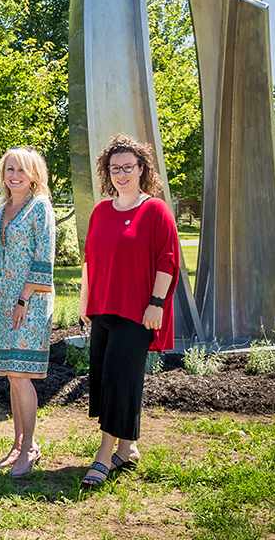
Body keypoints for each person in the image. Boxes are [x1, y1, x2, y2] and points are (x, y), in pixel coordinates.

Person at [79, 134, 179, 488]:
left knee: (119, 380)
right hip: (103, 307)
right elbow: (90, 259)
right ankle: (128, 449)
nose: (121, 174)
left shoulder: (155, 210)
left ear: (142, 169)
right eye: (115, 168)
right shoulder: (101, 211)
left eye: (128, 167)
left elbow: (168, 260)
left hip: (138, 313)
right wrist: (84, 299)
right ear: (108, 172)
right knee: (105, 381)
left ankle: (104, 455)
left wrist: (156, 304)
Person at [0, 147, 56, 477]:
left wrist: (23, 298)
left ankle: (30, 446)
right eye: (9, 169)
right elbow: (0, 260)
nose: (14, 175)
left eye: (21, 170)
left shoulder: (40, 207)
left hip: (31, 302)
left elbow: (45, 255)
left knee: (20, 374)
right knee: (12, 378)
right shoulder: (3, 209)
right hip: (6, 303)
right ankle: (18, 443)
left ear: (33, 175)